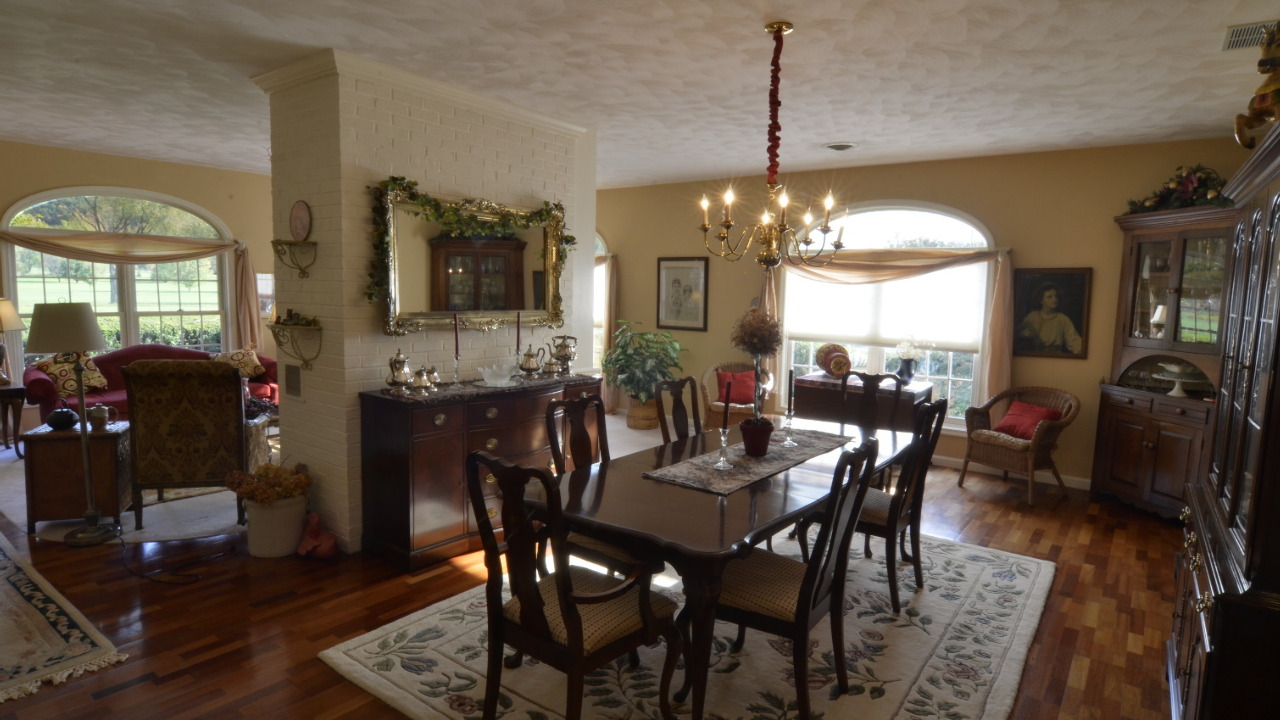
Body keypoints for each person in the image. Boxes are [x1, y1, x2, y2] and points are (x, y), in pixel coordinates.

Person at [1018, 282, 1082, 354]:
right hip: (1035, 357)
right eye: (1050, 297)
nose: (1054, 299)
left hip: (1056, 357)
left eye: (1056, 296)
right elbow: (1018, 334)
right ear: (1041, 300)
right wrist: (1023, 334)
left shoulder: (1063, 319)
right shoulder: (1032, 317)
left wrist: (1080, 349)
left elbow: (1074, 341)